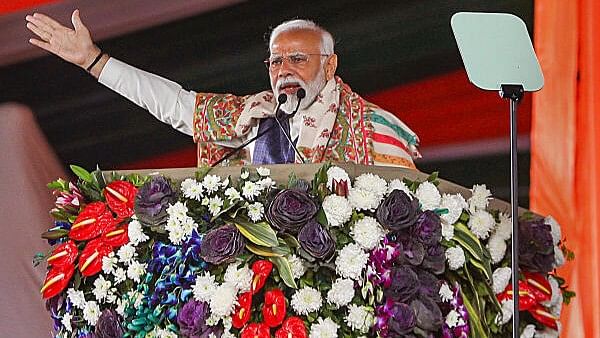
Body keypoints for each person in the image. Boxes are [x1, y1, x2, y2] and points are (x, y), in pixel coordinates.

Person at [26, 10, 421, 168]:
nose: (284, 70)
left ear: (330, 64)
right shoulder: (250, 119)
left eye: (298, 59)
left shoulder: (374, 129)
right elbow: (174, 104)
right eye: (276, 61)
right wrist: (94, 61)